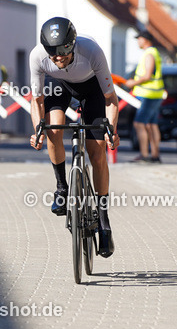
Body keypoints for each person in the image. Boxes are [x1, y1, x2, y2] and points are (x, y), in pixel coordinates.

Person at [29, 16, 120, 258]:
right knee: (53, 130)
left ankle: (103, 219)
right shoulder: (38, 57)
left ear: (73, 44)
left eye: (63, 53)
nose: (58, 58)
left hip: (91, 88)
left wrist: (112, 130)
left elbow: (111, 99)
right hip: (57, 85)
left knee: (97, 152)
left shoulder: (91, 51)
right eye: (53, 54)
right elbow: (37, 100)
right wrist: (38, 128)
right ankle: (61, 188)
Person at [123, 29, 164, 163]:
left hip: (149, 94)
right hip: (154, 93)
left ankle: (145, 155)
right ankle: (155, 155)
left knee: (139, 124)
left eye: (139, 39)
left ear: (145, 40)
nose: (138, 41)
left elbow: (147, 75)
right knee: (152, 125)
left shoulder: (149, 54)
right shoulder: (153, 52)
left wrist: (132, 82)